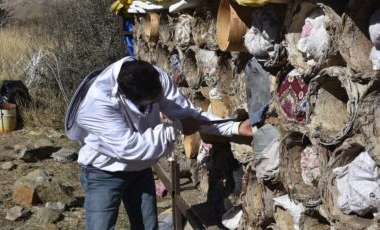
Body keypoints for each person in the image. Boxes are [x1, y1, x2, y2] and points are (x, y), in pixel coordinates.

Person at [65, 56, 254, 230]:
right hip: (104, 171)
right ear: (127, 97)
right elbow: (132, 148)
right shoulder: (96, 103)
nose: (157, 104)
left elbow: (188, 114)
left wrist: (235, 128)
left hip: (140, 170)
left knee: (147, 227)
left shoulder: (153, 77)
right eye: (151, 103)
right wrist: (176, 128)